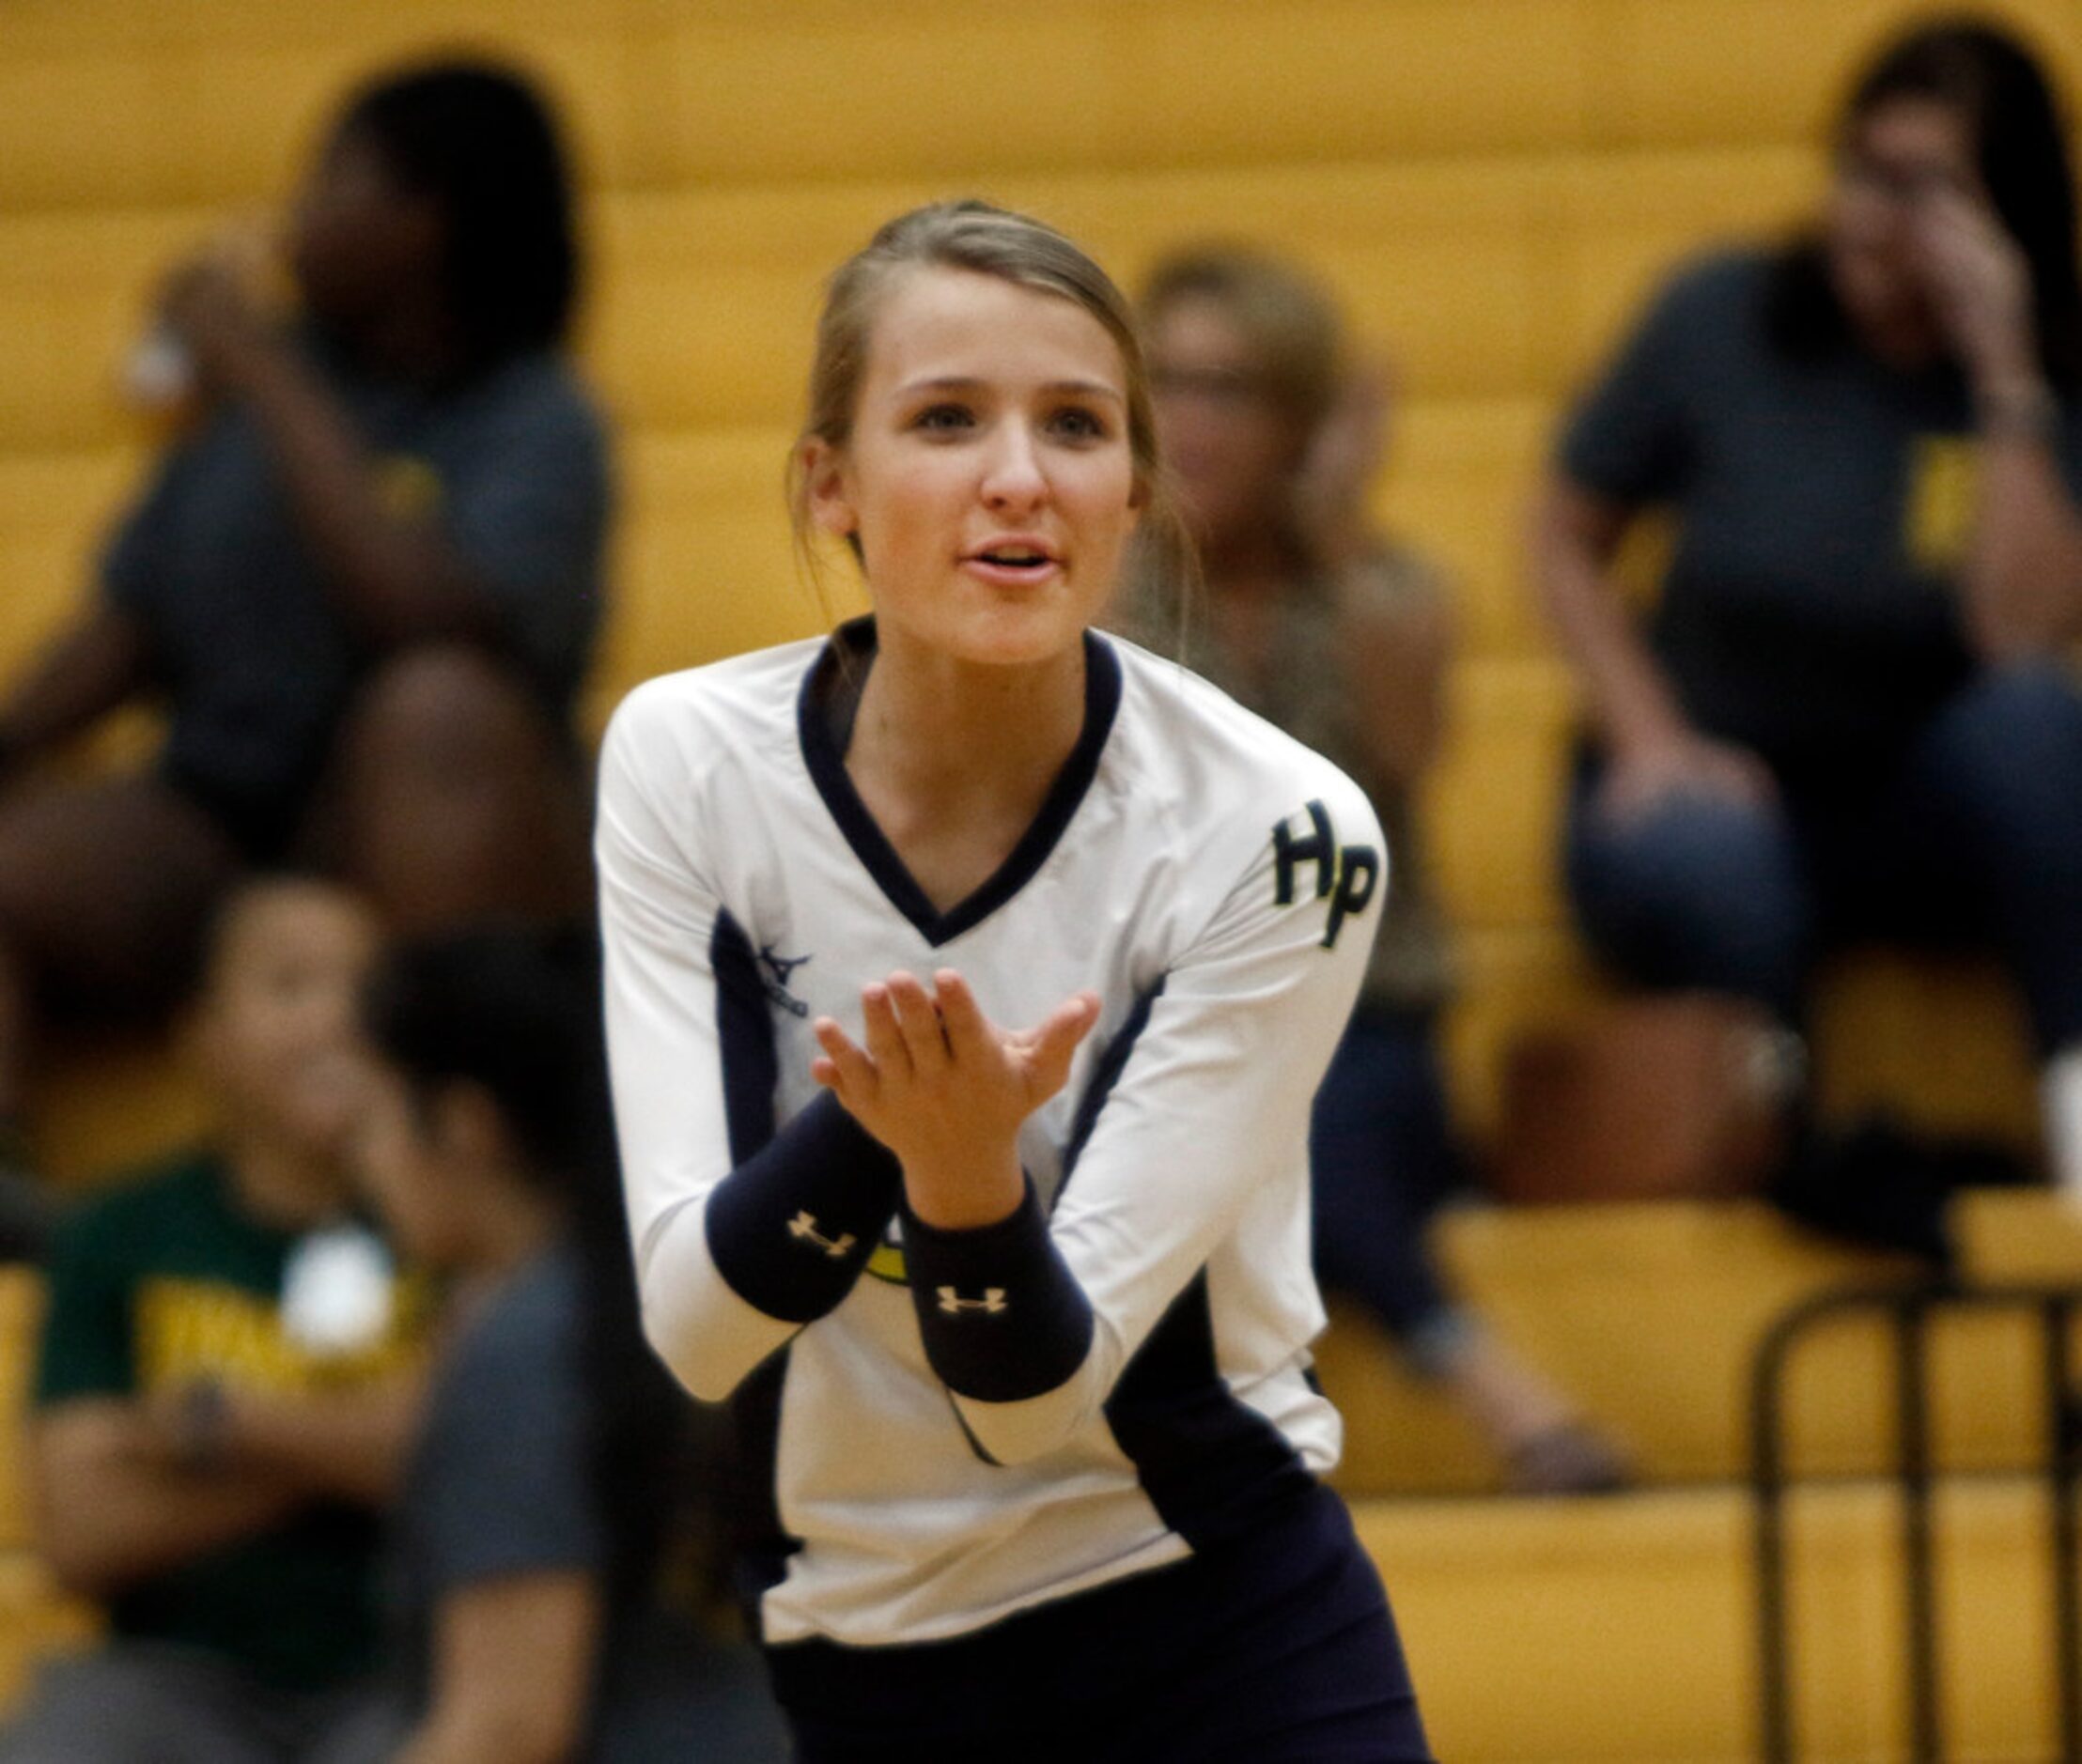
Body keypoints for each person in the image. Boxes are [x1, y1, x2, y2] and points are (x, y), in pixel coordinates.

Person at [598, 199, 1432, 1763]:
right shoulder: (685, 762)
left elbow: (1034, 1397)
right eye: (944, 418)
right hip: (867, 1645)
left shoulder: (1283, 829)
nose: (1018, 475)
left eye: (1075, 424)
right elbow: (699, 1331)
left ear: (1130, 494)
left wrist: (962, 1172)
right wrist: (908, 1133)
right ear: (827, 486)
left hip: (1221, 1614)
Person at [0, 57, 610, 1205]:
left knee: (434, 706)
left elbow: (424, 615)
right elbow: (128, 627)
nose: (298, 212)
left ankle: (468, 1165)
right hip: (221, 830)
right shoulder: (247, 405)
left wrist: (262, 371)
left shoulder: (535, 418)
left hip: (423, 846)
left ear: (421, 222)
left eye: (334, 177)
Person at [1531, 15, 2082, 1211]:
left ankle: (2077, 1121)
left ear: (2002, 211)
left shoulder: (2038, 381)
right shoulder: (1723, 315)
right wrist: (1646, 737)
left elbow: (2014, 637)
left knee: (2037, 723)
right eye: (1857, 169)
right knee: (1711, 846)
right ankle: (1793, 1155)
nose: (1871, 212)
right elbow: (1563, 535)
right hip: (1712, 784)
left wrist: (2004, 373)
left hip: (1911, 807)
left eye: (1920, 185)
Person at [1120, 243, 1626, 1493]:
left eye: (1229, 388)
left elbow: (1406, 747)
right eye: (1166, 383)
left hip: (1372, 1028)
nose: (1190, 420)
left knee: (1303, 1107)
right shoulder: (1100, 597)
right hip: (1187, 1036)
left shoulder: (1384, 588)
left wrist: (1336, 530)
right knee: (1260, 1104)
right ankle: (1504, 1397)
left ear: (1297, 414)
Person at [3, 876, 427, 1764]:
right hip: (170, 1672)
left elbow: (462, 1455)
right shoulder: (118, 1233)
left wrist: (217, 1424)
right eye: (288, 986)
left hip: (407, 1664)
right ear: (201, 1037)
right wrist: (358, 1443)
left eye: (364, 987)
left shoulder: (444, 1214)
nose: (334, 1021)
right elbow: (86, 1533)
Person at [349, 925, 788, 1763]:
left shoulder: (524, 1353)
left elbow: (507, 1729)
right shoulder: (658, 1292)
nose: (360, 1156)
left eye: (375, 1118)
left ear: (465, 1125)